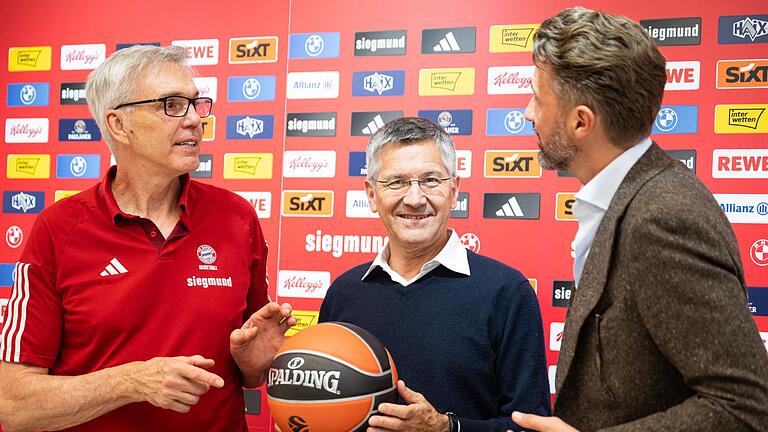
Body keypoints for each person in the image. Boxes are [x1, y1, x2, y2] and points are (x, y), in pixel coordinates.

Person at [0, 45, 295, 432]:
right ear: (119, 124)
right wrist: (131, 382)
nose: (194, 120)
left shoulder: (236, 217)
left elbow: (252, 371)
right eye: (172, 105)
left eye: (196, 103)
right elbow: (12, 404)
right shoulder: (59, 228)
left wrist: (254, 363)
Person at [511, 7, 768, 432]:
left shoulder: (662, 217)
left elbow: (744, 405)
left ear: (581, 121)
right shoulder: (629, 197)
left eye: (538, 99)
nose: (527, 113)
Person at [319, 117, 551, 431]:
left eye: (430, 180)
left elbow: (532, 427)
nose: (414, 199)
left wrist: (445, 428)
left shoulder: (507, 293)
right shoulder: (344, 293)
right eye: (396, 182)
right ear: (372, 194)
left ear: (454, 190)